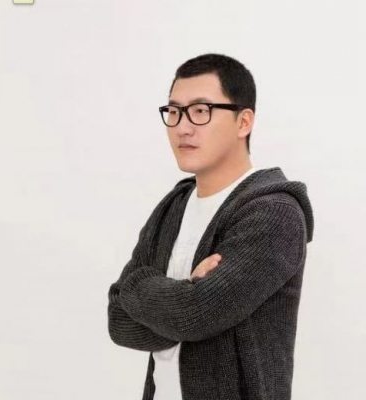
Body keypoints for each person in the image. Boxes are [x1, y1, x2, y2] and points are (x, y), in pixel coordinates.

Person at [107, 53, 314, 400]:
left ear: (243, 122)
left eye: (201, 111)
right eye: (174, 112)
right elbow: (118, 322)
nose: (183, 127)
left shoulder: (274, 213)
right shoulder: (174, 206)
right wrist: (183, 295)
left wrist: (138, 286)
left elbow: (195, 315)